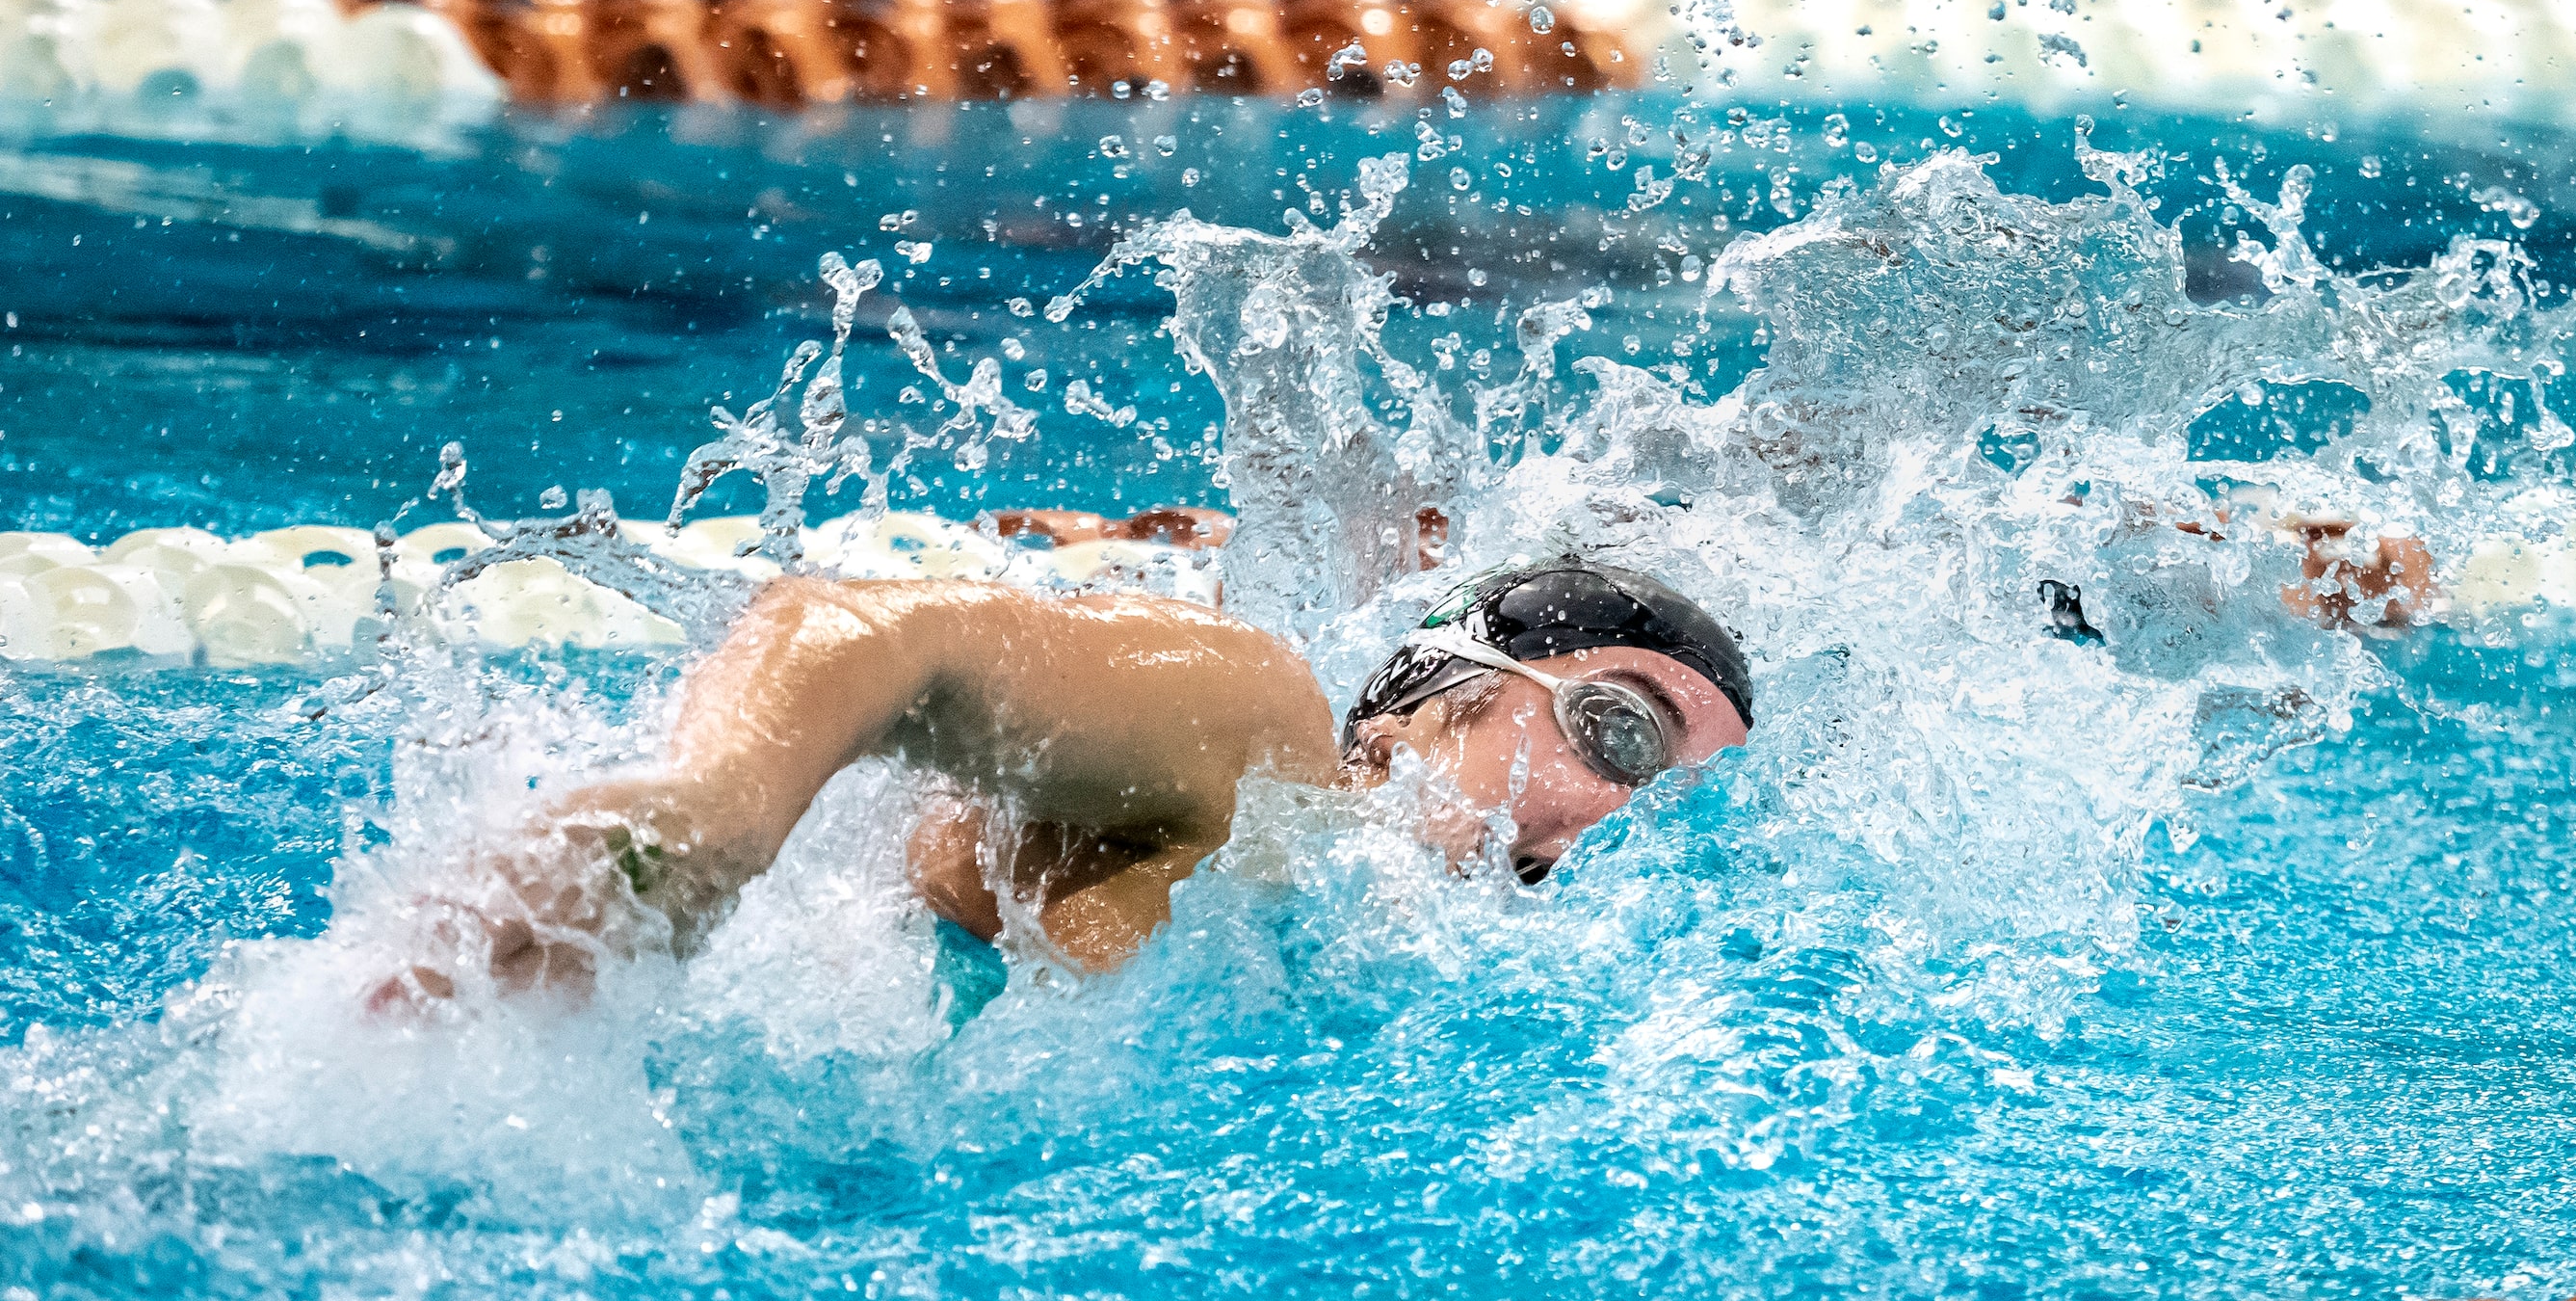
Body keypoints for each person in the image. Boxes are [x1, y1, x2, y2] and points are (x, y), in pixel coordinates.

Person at [368, 506, 2429, 1014]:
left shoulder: (1322, 926)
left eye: (1661, 797)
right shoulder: (1273, 746)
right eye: (1612, 729)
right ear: (1433, 687)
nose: (1606, 822)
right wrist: (710, 831)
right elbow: (857, 626)